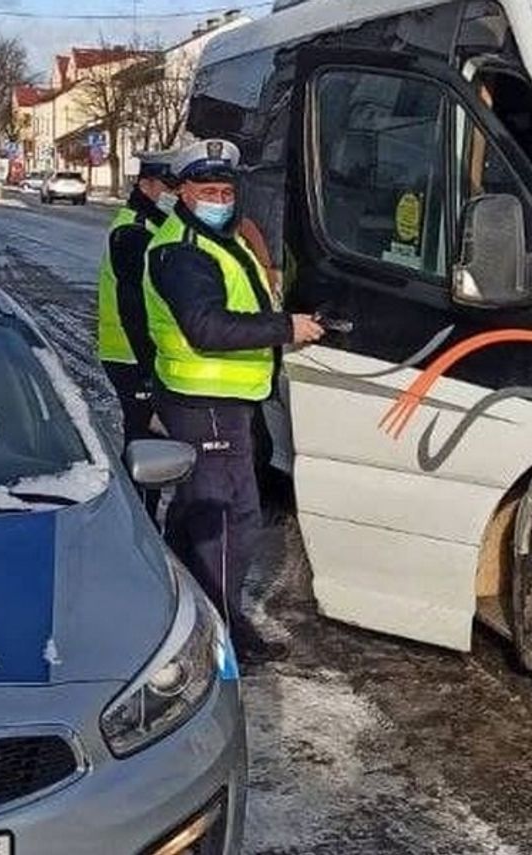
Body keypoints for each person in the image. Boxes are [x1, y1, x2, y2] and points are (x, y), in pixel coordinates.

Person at [142, 139, 325, 661]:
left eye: (226, 189)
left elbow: (248, 296)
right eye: (208, 190)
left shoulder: (220, 239)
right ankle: (221, 633)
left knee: (194, 516)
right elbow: (206, 327)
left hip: (222, 400)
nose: (220, 198)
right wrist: (286, 328)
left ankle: (184, 614)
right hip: (205, 402)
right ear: (183, 193)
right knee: (229, 520)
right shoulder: (182, 250)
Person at [97, 150, 179, 517]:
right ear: (146, 184)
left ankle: (140, 516)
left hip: (139, 352)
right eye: (167, 185)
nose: (172, 192)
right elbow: (133, 304)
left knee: (148, 438)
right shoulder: (132, 231)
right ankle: (137, 521)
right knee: (145, 439)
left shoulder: (154, 223)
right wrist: (149, 364)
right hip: (131, 354)